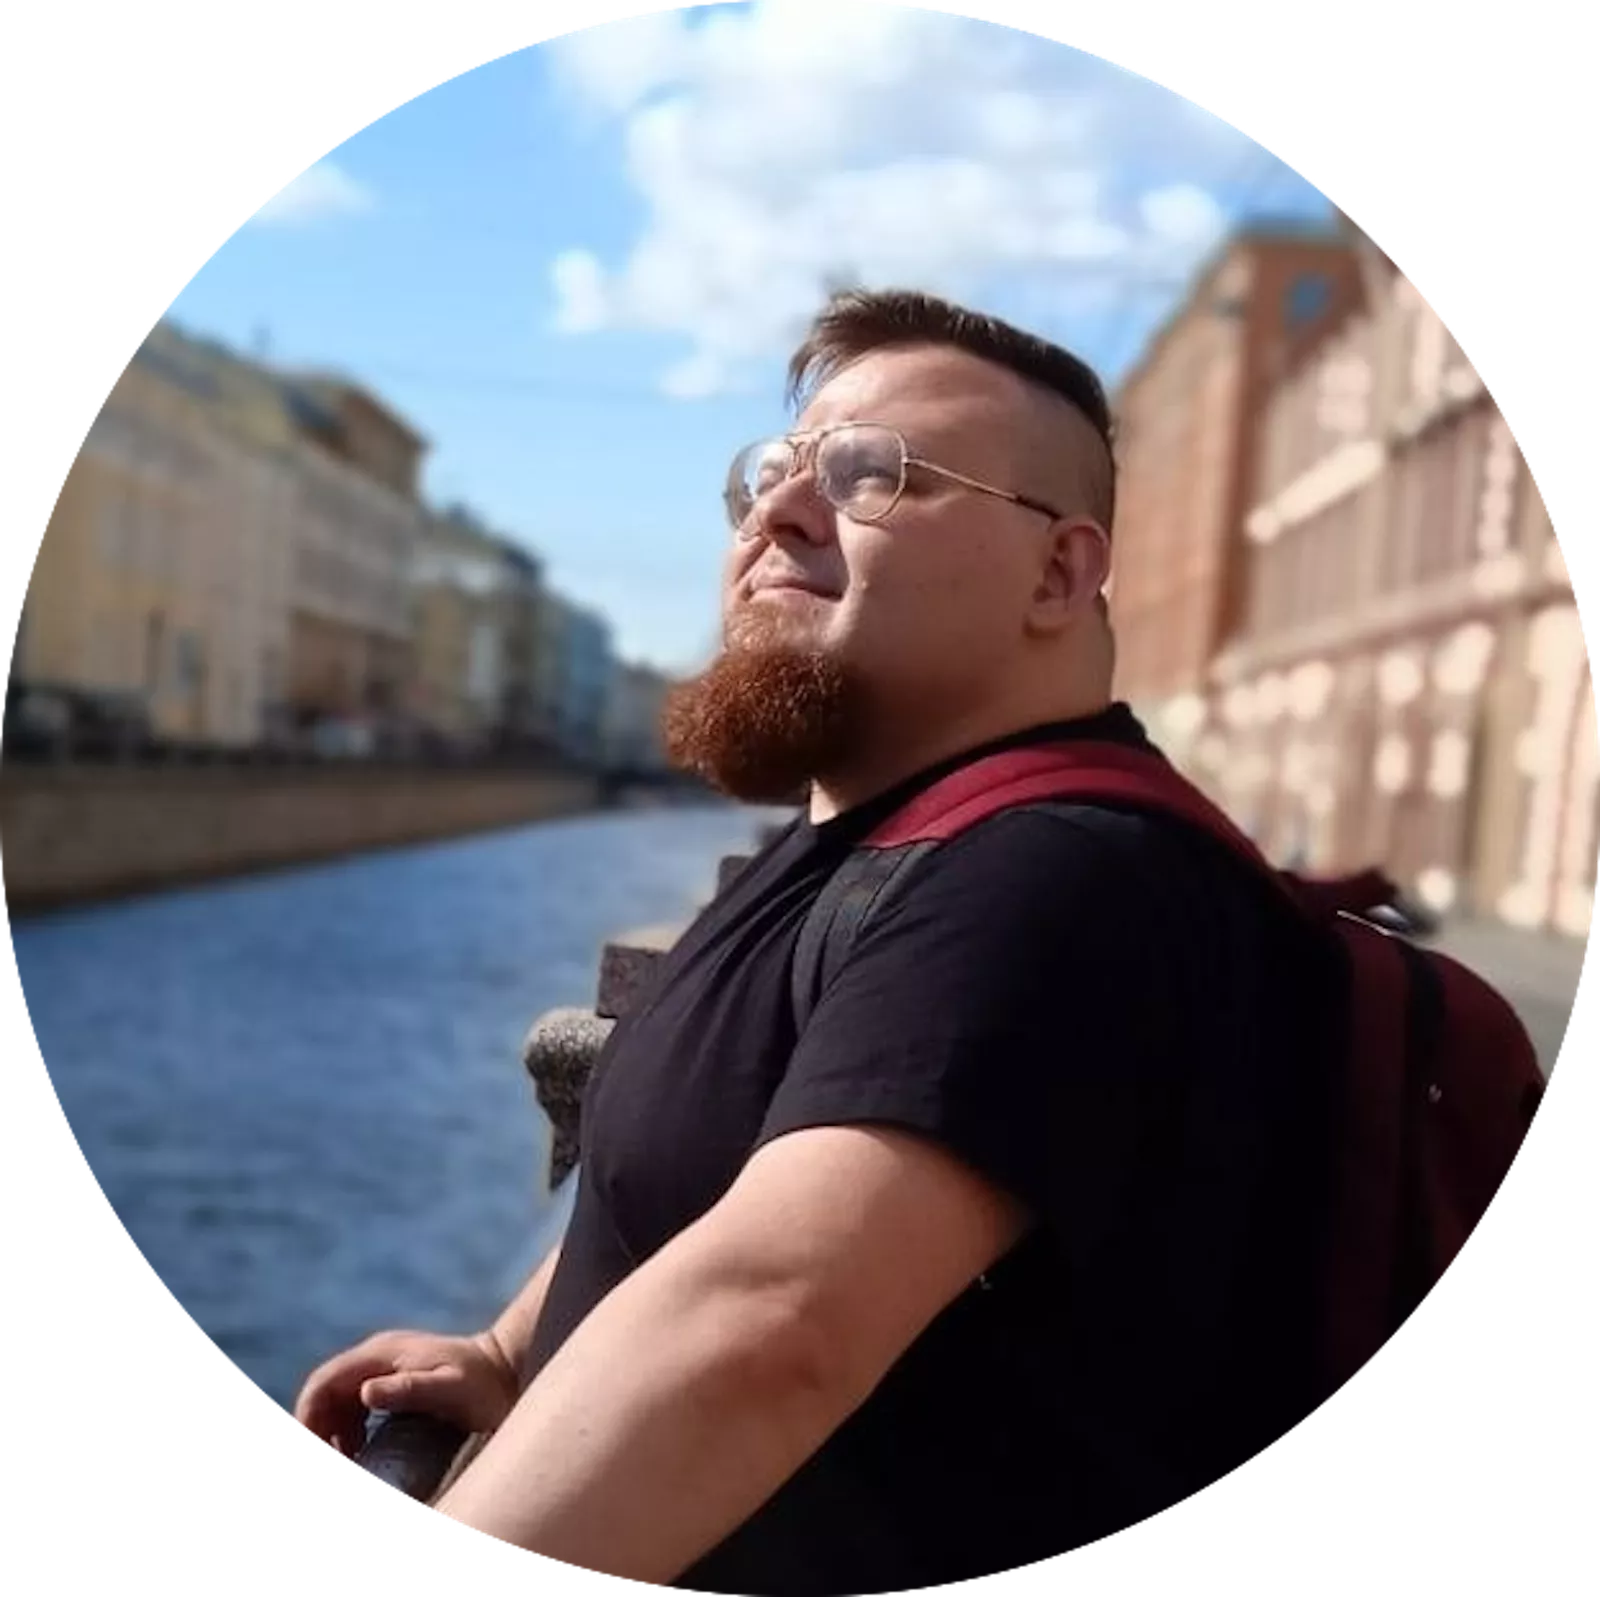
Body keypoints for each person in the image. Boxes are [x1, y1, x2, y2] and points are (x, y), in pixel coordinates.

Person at [295, 289, 1344, 1593]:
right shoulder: (854, 843)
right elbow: (698, 1182)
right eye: (772, 472)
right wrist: (512, 1356)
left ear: (1060, 574)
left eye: (870, 474)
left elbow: (767, 1329)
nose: (777, 511)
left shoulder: (1055, 879)